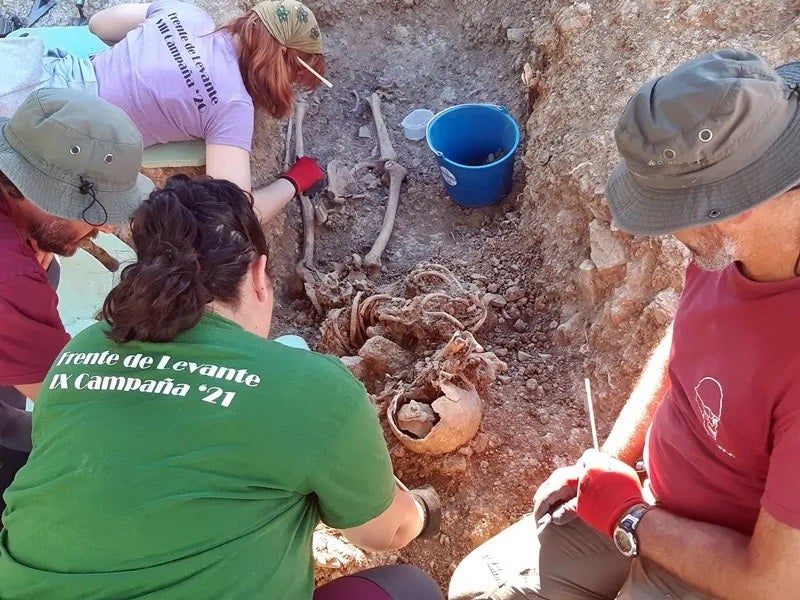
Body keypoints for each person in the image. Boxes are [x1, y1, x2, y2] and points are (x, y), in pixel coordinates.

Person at [449, 48, 800, 600]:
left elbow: (774, 581)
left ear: (731, 209)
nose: (664, 230)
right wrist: (611, 463)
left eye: (671, 210)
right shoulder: (737, 247)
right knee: (478, 589)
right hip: (652, 503)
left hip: (732, 568)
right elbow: (686, 339)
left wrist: (629, 519)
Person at [0, 174, 444, 600]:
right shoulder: (312, 387)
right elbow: (380, 532)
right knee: (411, 589)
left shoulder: (79, 351)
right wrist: (420, 510)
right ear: (258, 274)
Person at [1, 0, 327, 222]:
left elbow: (99, 25)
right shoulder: (232, 105)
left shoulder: (190, 14)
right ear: (285, 66)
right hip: (65, 130)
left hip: (40, 68)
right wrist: (294, 181)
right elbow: (236, 212)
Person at [0, 87, 153, 511]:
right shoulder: (10, 280)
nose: (104, 229)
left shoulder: (15, 190)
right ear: (31, 190)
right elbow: (78, 406)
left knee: (49, 266)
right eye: (92, 211)